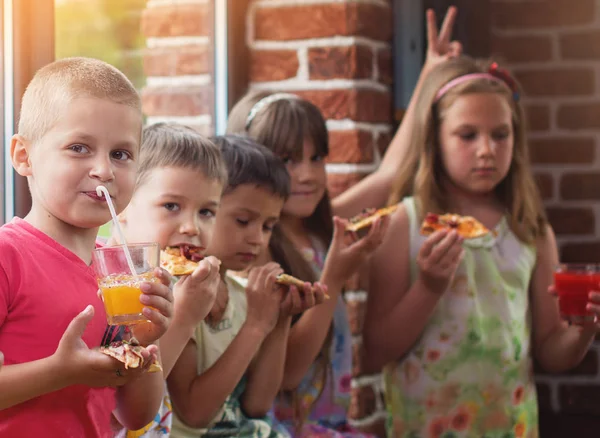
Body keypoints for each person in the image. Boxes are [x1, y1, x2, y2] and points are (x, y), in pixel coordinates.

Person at [221, 8, 462, 433]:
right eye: (287, 160)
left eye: (317, 158)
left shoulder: (320, 227)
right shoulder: (256, 253)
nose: (308, 174)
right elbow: (291, 371)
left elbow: (390, 174)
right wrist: (333, 276)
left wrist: (430, 76)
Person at [364, 55, 600, 438]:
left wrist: (583, 332)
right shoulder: (404, 225)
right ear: (435, 140)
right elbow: (375, 353)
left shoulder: (531, 231)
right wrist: (428, 287)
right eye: (467, 135)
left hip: (511, 427)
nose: (487, 149)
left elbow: (551, 351)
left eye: (500, 134)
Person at [0, 57, 173, 437]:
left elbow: (137, 415)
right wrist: (60, 372)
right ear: (23, 156)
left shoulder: (123, 272)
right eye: (79, 147)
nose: (104, 170)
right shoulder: (7, 256)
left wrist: (142, 340)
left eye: (120, 154)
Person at [167, 134, 327, 437]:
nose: (257, 238)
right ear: (206, 210)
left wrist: (278, 320)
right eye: (243, 221)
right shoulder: (184, 294)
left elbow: (256, 404)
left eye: (268, 226)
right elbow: (194, 413)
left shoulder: (241, 296)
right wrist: (255, 325)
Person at [113, 123, 228, 437]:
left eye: (206, 211)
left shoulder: (175, 281)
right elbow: (121, 403)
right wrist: (186, 317)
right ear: (122, 204)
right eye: (171, 206)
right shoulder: (113, 284)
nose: (191, 227)